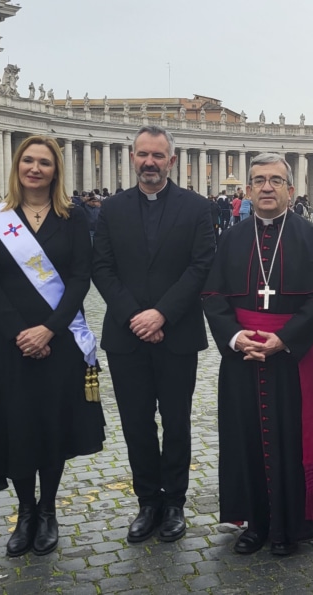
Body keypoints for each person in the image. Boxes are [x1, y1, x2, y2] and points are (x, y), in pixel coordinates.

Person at [0, 135, 105, 558]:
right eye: (28, 160)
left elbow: (81, 277)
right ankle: (25, 511)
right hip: (8, 342)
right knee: (17, 424)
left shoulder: (73, 217)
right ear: (17, 166)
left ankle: (48, 510)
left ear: (55, 169)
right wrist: (21, 332)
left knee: (51, 424)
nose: (35, 168)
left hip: (57, 341)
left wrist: (49, 330)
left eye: (44, 162)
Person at [201, 153, 313, 557]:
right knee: (244, 438)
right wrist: (236, 336)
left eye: (276, 180)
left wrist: (285, 339)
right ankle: (255, 524)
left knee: (291, 437)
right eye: (259, 180)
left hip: (289, 356)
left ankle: (292, 525)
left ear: (291, 190)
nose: (267, 188)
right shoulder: (231, 238)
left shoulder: (312, 237)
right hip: (242, 355)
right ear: (247, 190)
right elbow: (211, 294)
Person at [92, 125, 216, 544]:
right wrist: (136, 316)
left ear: (172, 161)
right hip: (126, 336)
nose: (150, 162)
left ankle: (176, 502)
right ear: (132, 157)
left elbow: (201, 267)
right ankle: (148, 502)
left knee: (177, 422)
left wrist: (161, 314)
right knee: (136, 423)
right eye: (143, 154)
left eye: (158, 156)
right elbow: (102, 268)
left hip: (177, 333)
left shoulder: (198, 207)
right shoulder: (111, 208)